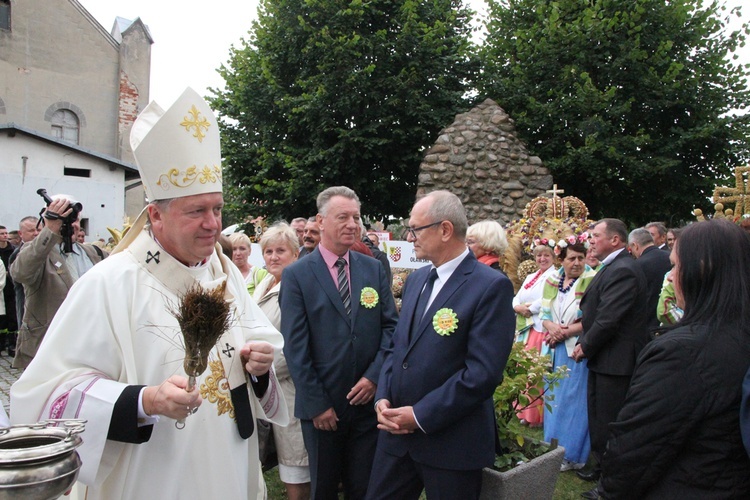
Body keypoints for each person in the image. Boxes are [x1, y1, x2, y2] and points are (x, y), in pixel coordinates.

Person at [10, 88, 288, 499]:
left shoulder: (223, 272)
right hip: (152, 474)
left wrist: (260, 367)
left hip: (229, 462)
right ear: (155, 215)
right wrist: (145, 401)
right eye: (196, 211)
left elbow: (257, 344)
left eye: (217, 208)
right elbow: (46, 394)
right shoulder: (111, 283)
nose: (213, 224)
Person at [366, 190, 514, 500]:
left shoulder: (490, 286)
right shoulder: (417, 280)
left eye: (416, 229)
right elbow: (398, 346)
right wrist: (383, 395)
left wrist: (420, 416)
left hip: (451, 444)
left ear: (445, 230)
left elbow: (482, 374)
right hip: (396, 438)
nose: (410, 237)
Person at [600, 219, 750, 498]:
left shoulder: (680, 354)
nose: (670, 277)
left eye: (676, 266)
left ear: (701, 271)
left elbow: (634, 451)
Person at [279, 186, 398, 499]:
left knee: (364, 486)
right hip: (324, 409)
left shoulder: (372, 269)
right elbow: (295, 347)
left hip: (366, 405)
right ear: (320, 220)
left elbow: (391, 328)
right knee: (325, 487)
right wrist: (318, 404)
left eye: (356, 217)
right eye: (343, 217)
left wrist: (374, 377)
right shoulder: (297, 276)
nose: (352, 224)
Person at [571, 219, 649, 498]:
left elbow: (609, 318)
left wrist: (585, 346)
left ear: (615, 241)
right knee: (599, 419)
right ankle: (602, 467)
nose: (590, 241)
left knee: (611, 422)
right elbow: (595, 311)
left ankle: (611, 484)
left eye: (595, 236)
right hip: (606, 357)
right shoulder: (613, 266)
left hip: (617, 361)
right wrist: (583, 338)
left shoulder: (625, 269)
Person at [10, 196, 106, 369]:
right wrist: (50, 229)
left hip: (90, 345)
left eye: (75, 219)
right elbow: (20, 273)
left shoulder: (93, 252)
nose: (72, 225)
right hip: (49, 348)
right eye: (65, 219)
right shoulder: (37, 252)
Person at [252, 223, 310, 500]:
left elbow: (297, 345)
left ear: (296, 254)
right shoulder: (265, 282)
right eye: (268, 251)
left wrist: (261, 370)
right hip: (264, 385)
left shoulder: (299, 287)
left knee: (295, 465)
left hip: (287, 387)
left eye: (280, 251)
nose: (273, 257)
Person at [540, 242, 597, 472]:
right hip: (554, 347)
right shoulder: (552, 280)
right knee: (553, 398)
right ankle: (551, 448)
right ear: (561, 260)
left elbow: (592, 318)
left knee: (574, 401)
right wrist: (552, 327)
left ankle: (572, 454)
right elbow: (544, 313)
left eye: (580, 258)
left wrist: (562, 332)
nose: (577, 263)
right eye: (571, 258)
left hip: (575, 349)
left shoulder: (592, 281)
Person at [512, 243, 557, 426]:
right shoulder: (531, 276)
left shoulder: (555, 275)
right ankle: (523, 412)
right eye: (539, 256)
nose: (542, 259)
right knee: (524, 368)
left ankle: (535, 416)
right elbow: (517, 296)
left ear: (553, 257)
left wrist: (529, 308)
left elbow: (547, 297)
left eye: (546, 255)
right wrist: (517, 306)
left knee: (536, 371)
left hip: (540, 326)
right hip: (526, 328)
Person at [8, 216, 40, 358]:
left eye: (39, 230)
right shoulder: (18, 255)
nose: (36, 233)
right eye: (31, 230)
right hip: (28, 312)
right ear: (20, 234)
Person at [628, 228, 672, 330]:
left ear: (635, 245)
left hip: (647, 324)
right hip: (671, 318)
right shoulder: (670, 257)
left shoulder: (637, 266)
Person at [0, 225, 16, 355]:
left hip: (11, 287)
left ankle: (12, 344)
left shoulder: (12, 250)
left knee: (12, 316)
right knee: (2, 319)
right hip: (1, 289)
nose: (5, 236)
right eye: (2, 234)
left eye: (6, 233)